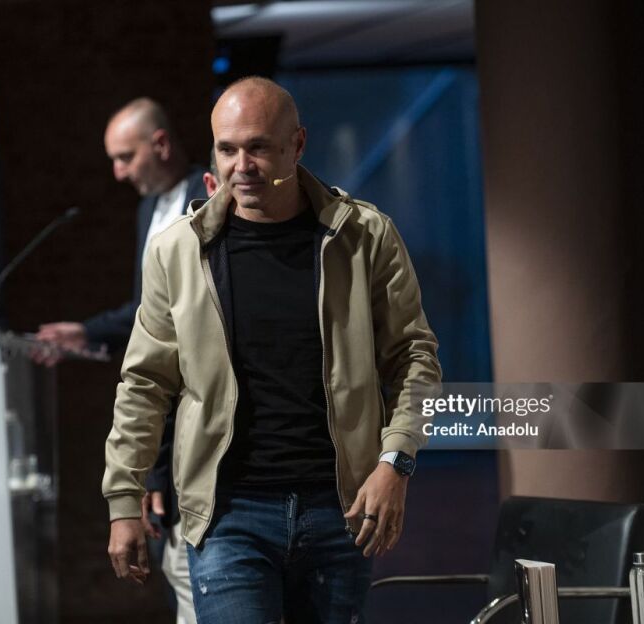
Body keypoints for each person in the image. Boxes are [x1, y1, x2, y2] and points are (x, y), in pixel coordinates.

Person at [104, 76, 441, 623]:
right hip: (227, 515)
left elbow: (414, 357)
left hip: (340, 509)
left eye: (258, 147)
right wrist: (124, 498)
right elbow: (145, 383)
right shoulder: (178, 251)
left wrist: (395, 463)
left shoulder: (364, 236)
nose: (242, 165)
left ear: (297, 144)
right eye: (227, 149)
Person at [37, 97, 205, 624]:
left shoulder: (209, 196)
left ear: (161, 144)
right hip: (160, 417)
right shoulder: (146, 211)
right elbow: (147, 311)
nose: (118, 172)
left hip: (198, 412)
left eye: (125, 157)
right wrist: (86, 331)